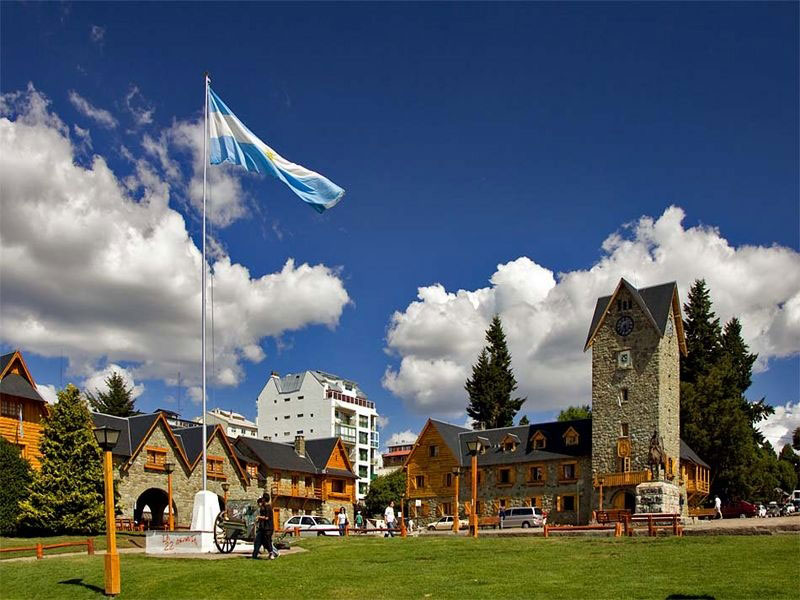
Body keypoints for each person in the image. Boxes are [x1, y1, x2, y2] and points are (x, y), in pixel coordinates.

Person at [252, 494, 279, 560]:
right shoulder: (263, 507)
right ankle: (256, 555)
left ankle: (273, 553)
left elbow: (267, 518)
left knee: (268, 541)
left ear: (264, 499)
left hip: (268, 527)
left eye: (263, 499)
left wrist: (259, 517)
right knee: (262, 541)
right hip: (263, 527)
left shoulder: (268, 507)